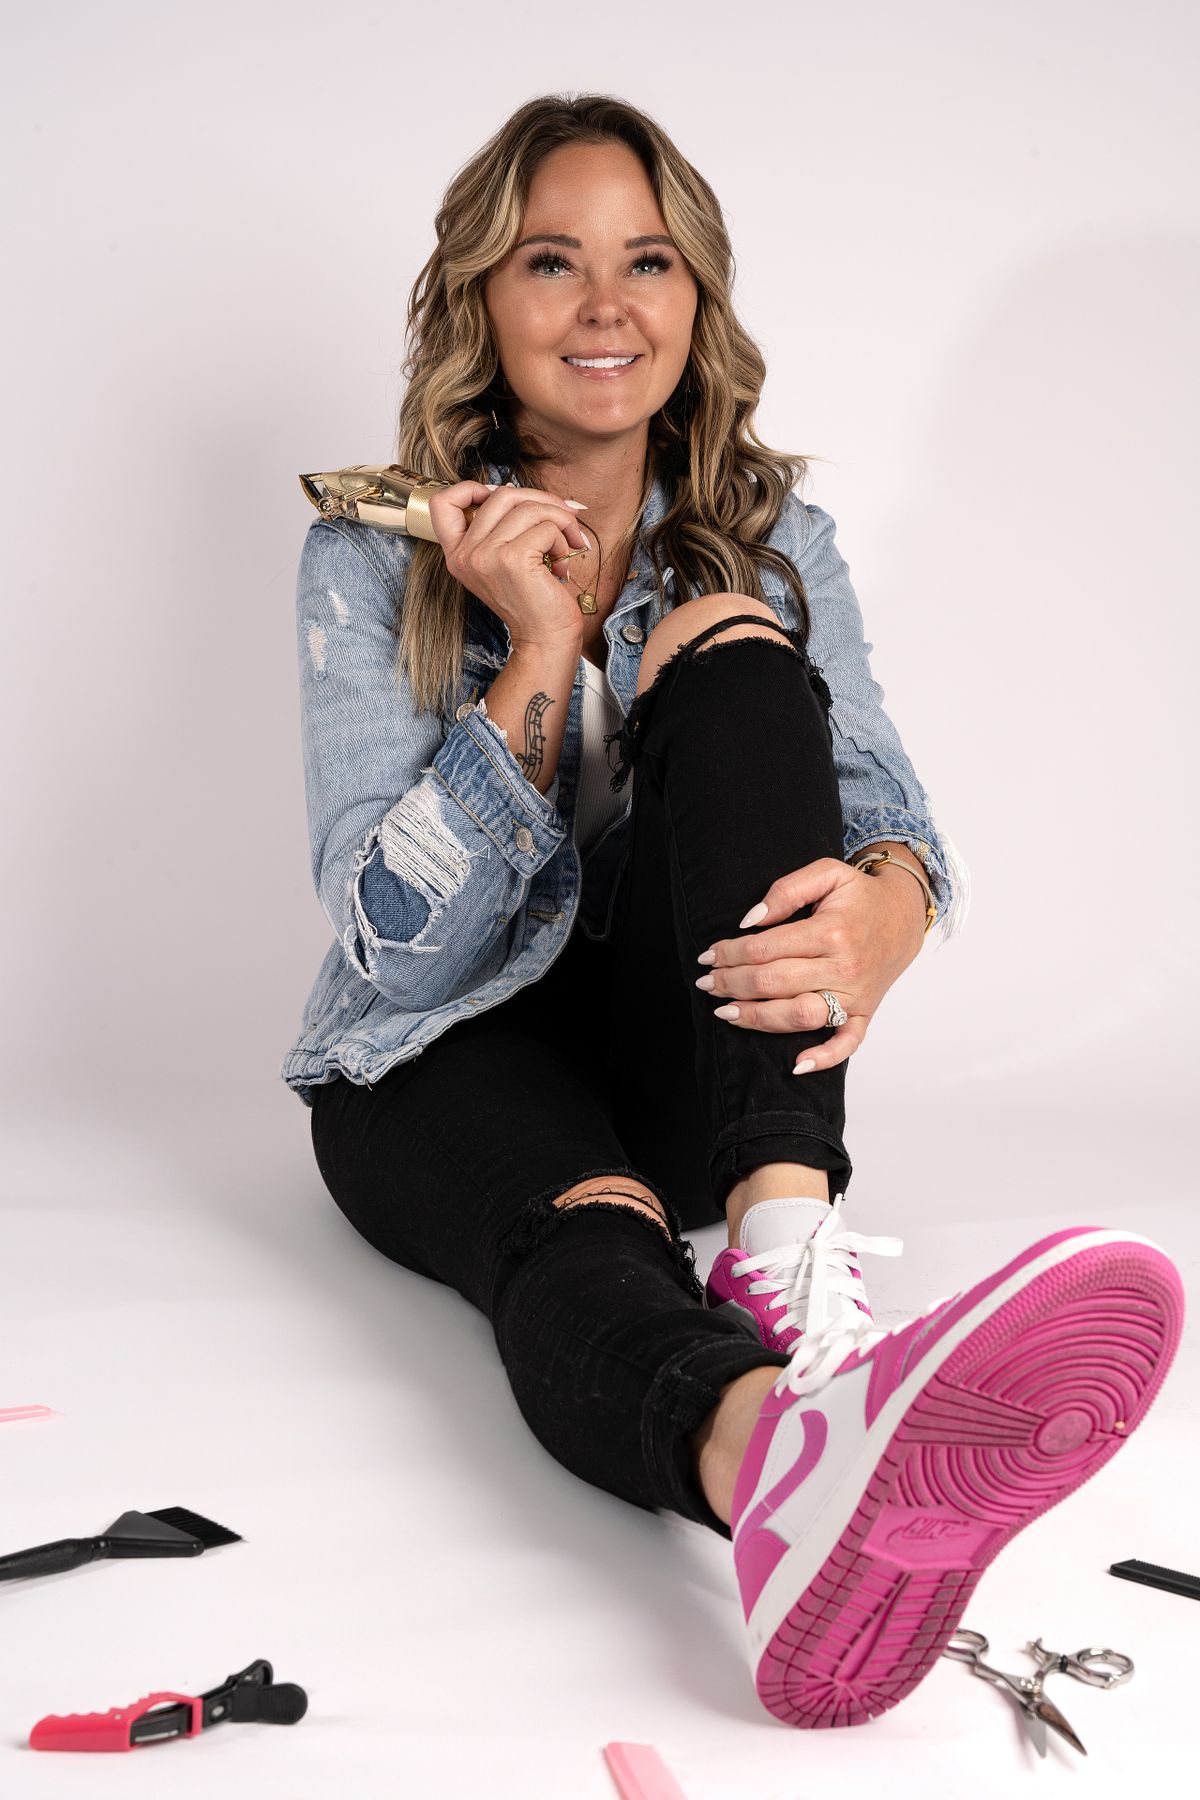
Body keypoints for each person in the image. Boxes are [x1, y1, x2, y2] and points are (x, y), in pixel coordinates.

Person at [281, 95, 1183, 1728]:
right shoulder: (371, 553)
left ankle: (784, 1248)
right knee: (587, 1239)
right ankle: (775, 1457)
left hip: (706, 1070)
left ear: (699, 299)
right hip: (438, 1056)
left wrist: (893, 912)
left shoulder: (781, 540)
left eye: (648, 261)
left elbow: (889, 813)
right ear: (485, 299)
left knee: (733, 642)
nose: (607, 305)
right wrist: (541, 647)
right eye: (553, 262)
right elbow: (385, 944)